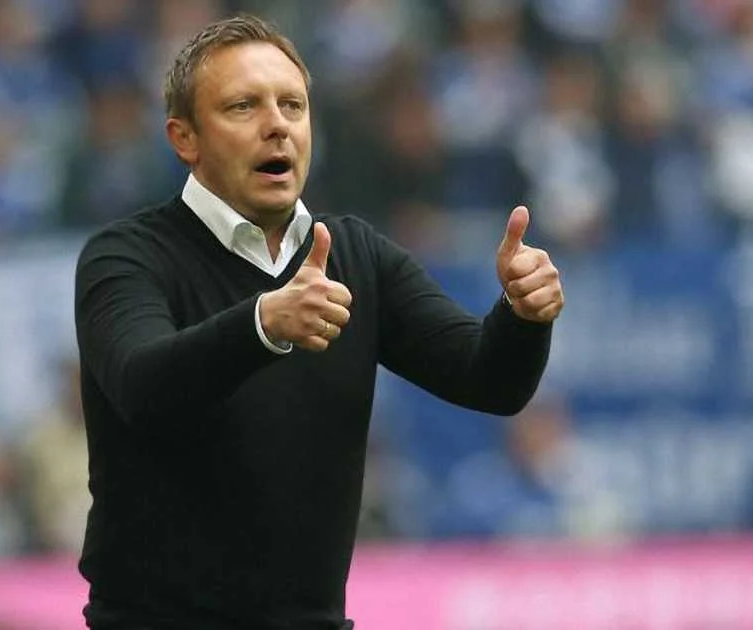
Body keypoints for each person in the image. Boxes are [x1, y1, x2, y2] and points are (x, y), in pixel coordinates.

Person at [72, 13, 564, 630]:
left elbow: (490, 381)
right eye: (243, 106)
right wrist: (262, 324)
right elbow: (143, 386)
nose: (277, 124)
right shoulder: (125, 257)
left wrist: (521, 314)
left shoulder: (356, 255)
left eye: (293, 106)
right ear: (185, 138)